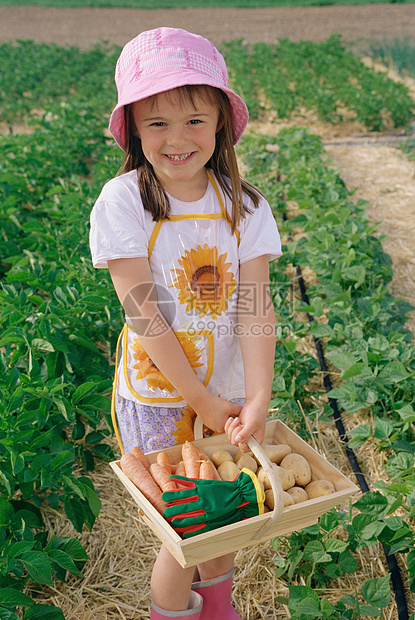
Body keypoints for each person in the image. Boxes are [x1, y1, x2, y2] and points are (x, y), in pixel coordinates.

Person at [89, 27, 281, 620]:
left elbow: (254, 308)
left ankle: (217, 611)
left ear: (221, 120)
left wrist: (256, 396)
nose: (178, 139)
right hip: (161, 395)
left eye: (195, 120)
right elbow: (143, 313)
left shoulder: (244, 205)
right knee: (185, 527)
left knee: (223, 519)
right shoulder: (124, 203)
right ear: (135, 130)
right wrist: (199, 395)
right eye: (158, 123)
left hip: (221, 394)